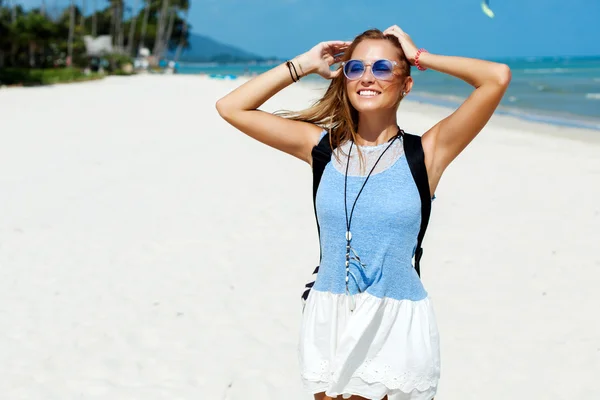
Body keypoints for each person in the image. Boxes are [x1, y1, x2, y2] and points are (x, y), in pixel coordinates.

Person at [216, 26, 510, 400]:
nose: (367, 77)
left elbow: (496, 78)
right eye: (355, 68)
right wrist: (305, 64)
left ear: (406, 85)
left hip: (395, 321)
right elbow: (230, 107)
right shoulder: (320, 148)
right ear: (344, 79)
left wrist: (420, 57)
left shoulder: (427, 153)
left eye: (384, 67)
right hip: (329, 313)